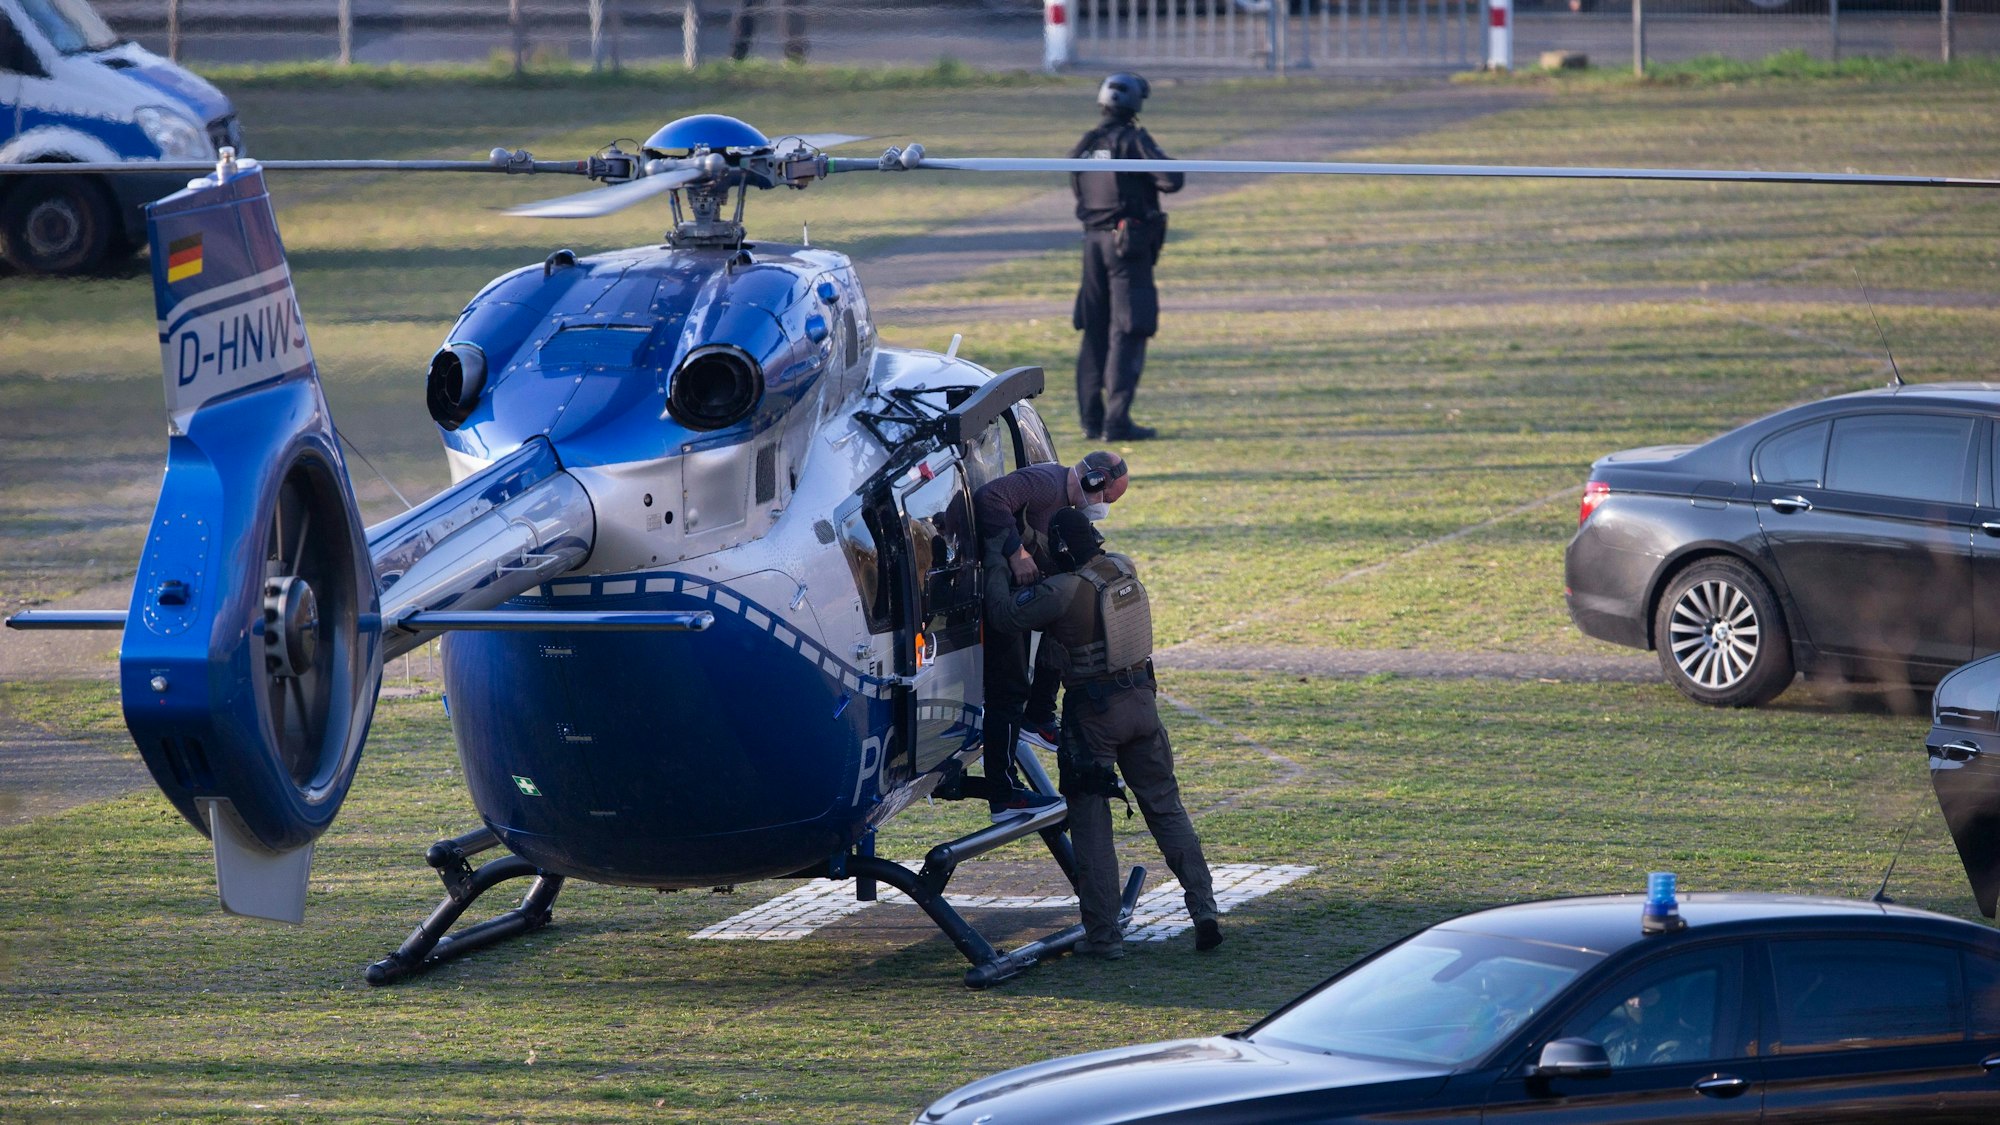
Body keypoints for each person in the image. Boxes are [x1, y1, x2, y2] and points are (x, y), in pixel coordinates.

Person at [985, 507, 1221, 957]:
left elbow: (1002, 615)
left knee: (1092, 827)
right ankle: (1204, 909)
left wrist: (1000, 555)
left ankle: (1104, 936)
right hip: (1143, 704)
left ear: (1060, 549)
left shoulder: (1061, 591)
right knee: (1167, 810)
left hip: (1093, 718)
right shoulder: (1123, 567)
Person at [972, 452, 1130, 820]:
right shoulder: (1046, 483)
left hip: (1016, 595)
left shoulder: (1063, 499)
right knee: (1008, 693)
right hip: (1001, 595)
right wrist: (1015, 552)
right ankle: (1003, 793)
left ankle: (1039, 715)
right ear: (1093, 480)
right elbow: (989, 498)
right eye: (1106, 497)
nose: (1104, 506)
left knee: (1065, 630)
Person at [1069, 72, 1182, 443]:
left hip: (1092, 244)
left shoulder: (1087, 144)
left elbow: (1076, 183)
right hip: (1126, 246)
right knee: (1128, 328)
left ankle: (1091, 420)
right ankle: (1116, 422)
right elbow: (1172, 179)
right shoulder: (1132, 141)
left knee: (1094, 329)